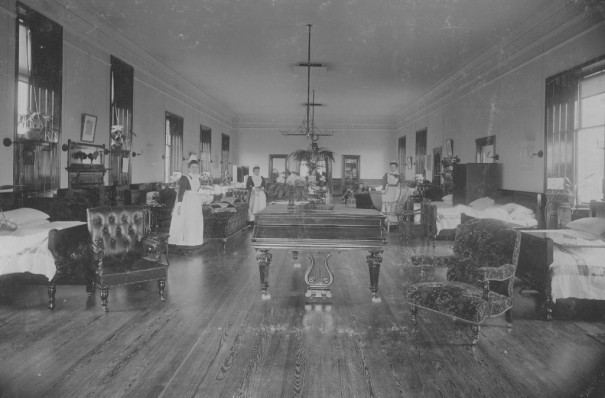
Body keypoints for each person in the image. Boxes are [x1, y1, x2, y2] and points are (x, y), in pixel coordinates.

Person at [168, 154, 204, 246]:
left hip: (195, 203)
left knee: (194, 221)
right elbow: (180, 193)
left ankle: (194, 241)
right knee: (187, 221)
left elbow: (197, 190)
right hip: (187, 203)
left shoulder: (197, 178)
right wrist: (179, 206)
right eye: (192, 167)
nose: (195, 169)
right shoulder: (185, 178)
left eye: (196, 167)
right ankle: (184, 242)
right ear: (189, 168)